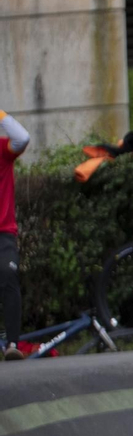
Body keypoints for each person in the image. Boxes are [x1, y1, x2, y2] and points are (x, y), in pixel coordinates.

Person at [0, 108, 29, 359]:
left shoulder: (2, 150)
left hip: (3, 233)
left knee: (8, 274)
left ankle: (13, 345)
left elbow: (22, 138)